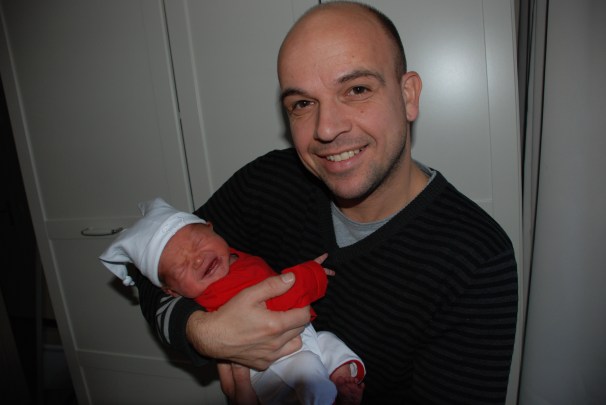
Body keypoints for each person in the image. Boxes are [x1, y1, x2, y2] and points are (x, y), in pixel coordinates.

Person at [135, 1, 519, 403]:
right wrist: (201, 332)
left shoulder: (476, 259)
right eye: (302, 103)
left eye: (356, 90)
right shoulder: (267, 183)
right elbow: (151, 267)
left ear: (408, 96)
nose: (327, 128)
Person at [99, 198, 365, 405]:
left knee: (328, 343)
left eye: (198, 242)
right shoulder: (213, 292)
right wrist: (310, 276)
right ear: (172, 292)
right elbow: (278, 301)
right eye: (180, 267)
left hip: (298, 337)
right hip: (268, 365)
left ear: (211, 227)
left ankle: (341, 377)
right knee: (308, 370)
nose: (197, 259)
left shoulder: (235, 256)